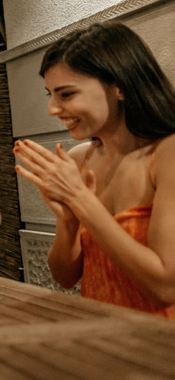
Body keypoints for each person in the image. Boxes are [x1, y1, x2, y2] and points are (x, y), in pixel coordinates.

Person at [13, 22, 175, 318]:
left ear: (120, 87)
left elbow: (166, 287)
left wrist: (80, 200)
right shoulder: (79, 159)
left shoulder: (168, 152)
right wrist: (69, 222)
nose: (52, 109)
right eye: (49, 94)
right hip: (105, 340)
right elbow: (64, 277)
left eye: (66, 94)